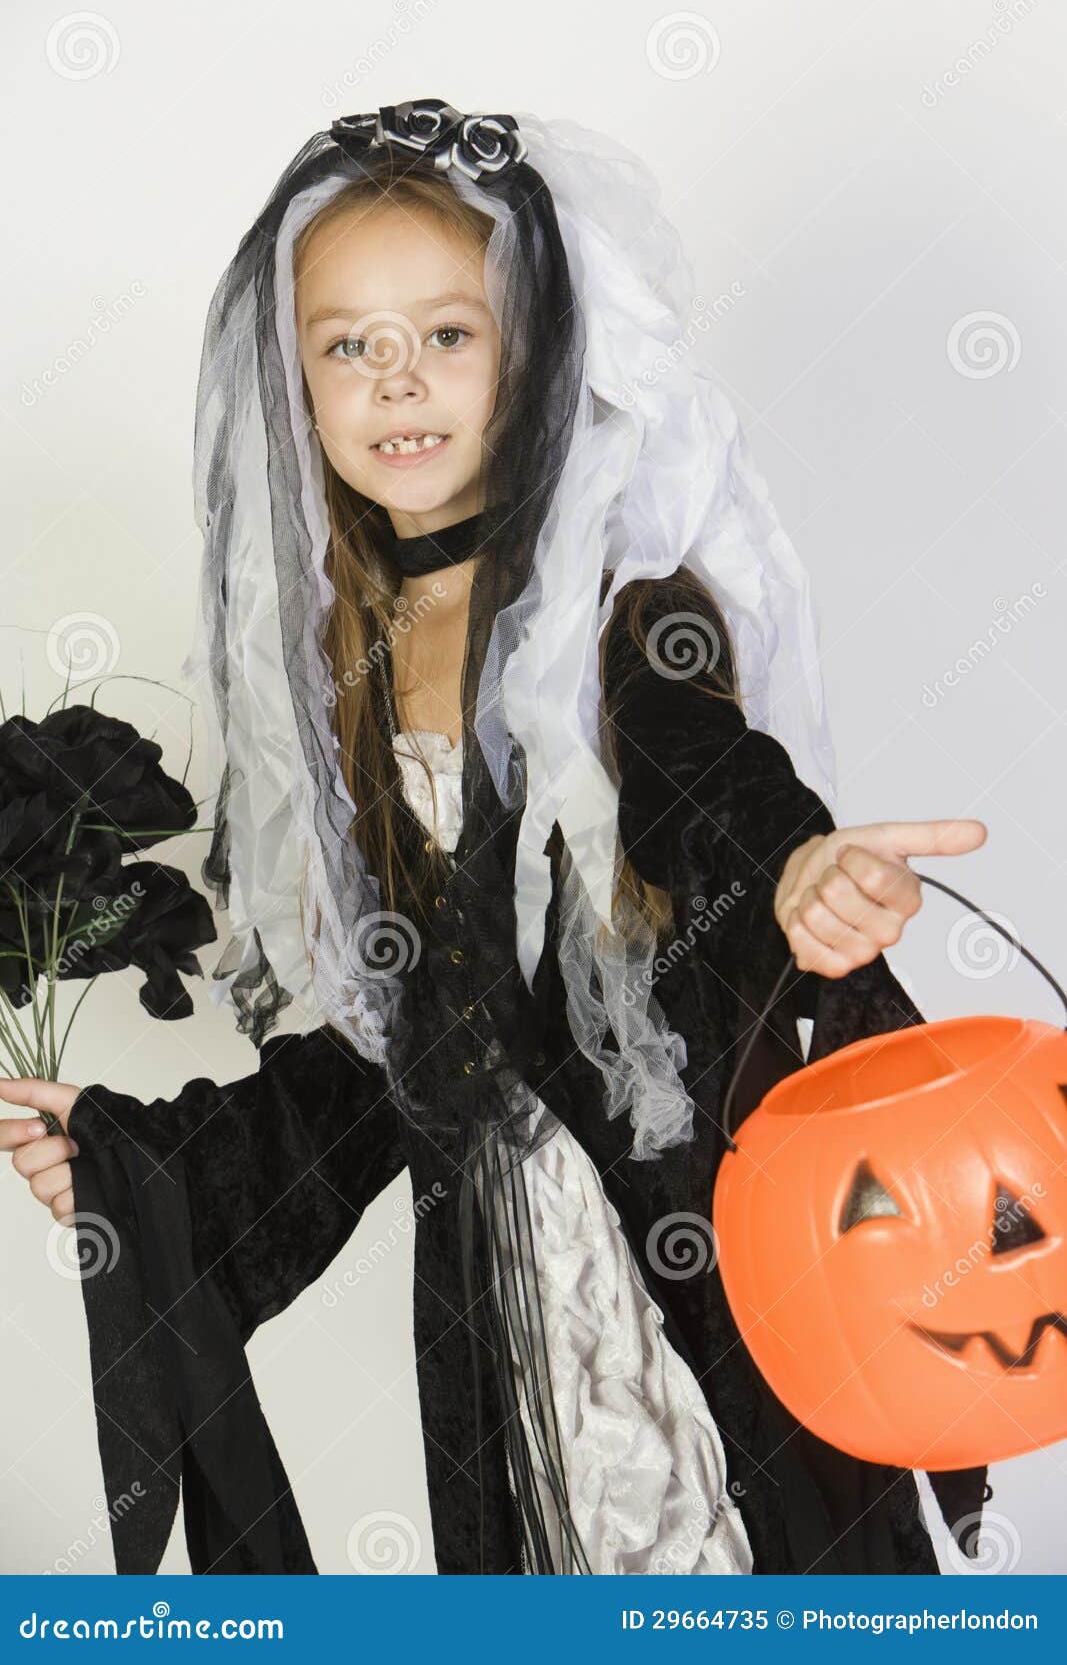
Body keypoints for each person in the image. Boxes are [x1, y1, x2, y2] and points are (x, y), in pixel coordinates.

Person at [0, 99, 990, 1576]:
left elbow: (704, 772)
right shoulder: (346, 666)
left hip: (681, 1265)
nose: (397, 378)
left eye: (447, 335)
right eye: (348, 345)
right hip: (500, 1309)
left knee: (747, 1560)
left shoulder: (622, 617)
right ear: (295, 386)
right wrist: (153, 1165)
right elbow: (394, 1057)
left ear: (534, 352)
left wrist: (795, 868)